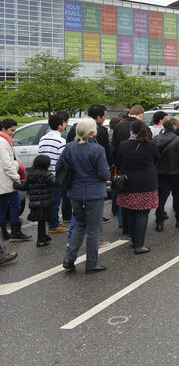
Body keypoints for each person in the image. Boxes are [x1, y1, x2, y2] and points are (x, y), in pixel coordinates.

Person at [60, 118, 110, 274]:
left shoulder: (69, 147)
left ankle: (69, 258)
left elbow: (60, 167)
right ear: (93, 132)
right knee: (94, 229)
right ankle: (92, 263)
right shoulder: (98, 149)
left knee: (80, 226)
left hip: (75, 192)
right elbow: (104, 174)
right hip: (93, 192)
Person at [116, 120, 159, 254]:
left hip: (128, 183)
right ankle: (139, 245)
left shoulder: (123, 145)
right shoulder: (151, 145)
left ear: (131, 131)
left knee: (131, 212)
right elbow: (157, 159)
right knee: (142, 213)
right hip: (146, 183)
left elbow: (119, 161)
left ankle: (134, 241)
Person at [153, 117, 179, 231]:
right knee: (177, 195)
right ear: (174, 126)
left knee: (161, 197)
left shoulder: (156, 139)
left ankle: (159, 222)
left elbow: (153, 157)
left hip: (160, 171)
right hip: (175, 171)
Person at [13, 154, 57, 247]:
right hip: (45, 202)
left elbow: (24, 186)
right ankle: (41, 240)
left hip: (35, 202)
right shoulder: (47, 174)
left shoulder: (31, 174)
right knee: (42, 221)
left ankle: (44, 236)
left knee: (41, 221)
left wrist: (15, 184)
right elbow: (55, 183)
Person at [0, 118, 31, 242]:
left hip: (3, 180)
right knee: (15, 203)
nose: (14, 132)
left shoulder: (4, 141)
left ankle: (4, 232)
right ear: (3, 129)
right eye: (12, 130)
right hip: (6, 180)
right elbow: (7, 163)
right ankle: (15, 231)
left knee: (2, 206)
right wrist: (16, 177)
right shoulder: (3, 142)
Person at [38, 114, 68, 234]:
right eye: (64, 123)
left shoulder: (43, 138)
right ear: (60, 125)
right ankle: (53, 225)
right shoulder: (61, 140)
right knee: (55, 200)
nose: (65, 125)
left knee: (49, 199)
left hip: (44, 173)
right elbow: (62, 160)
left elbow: (39, 155)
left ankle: (53, 220)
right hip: (56, 174)